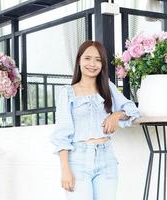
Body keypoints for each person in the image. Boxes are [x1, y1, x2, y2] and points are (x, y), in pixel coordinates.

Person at [51, 40, 139, 200]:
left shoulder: (108, 87)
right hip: (78, 161)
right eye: (87, 58)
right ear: (79, 60)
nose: (93, 64)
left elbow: (132, 110)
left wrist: (116, 115)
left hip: (107, 159)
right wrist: (65, 170)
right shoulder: (68, 93)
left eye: (98, 60)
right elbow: (62, 135)